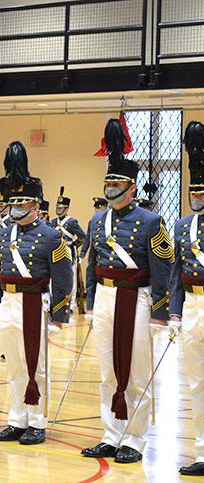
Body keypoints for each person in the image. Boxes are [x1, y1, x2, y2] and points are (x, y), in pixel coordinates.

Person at [82, 118, 173, 464]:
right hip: (105, 296)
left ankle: (135, 438)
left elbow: (162, 270)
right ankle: (111, 432)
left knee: (135, 370)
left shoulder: (152, 222)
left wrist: (161, 313)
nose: (111, 188)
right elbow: (91, 266)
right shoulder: (96, 221)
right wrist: (89, 304)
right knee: (107, 369)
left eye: (117, 182)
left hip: (137, 298)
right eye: (108, 182)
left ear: (131, 187)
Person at [0, 141, 73, 446]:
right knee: (13, 364)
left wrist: (59, 316)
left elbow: (64, 279)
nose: (17, 209)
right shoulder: (2, 232)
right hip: (10, 301)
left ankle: (36, 421)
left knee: (34, 365)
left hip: (35, 302)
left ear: (37, 206)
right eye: (14, 204)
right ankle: (16, 418)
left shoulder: (52, 236)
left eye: (23, 204)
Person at [170, 121, 204, 476]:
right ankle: (202, 451)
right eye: (194, 191)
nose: (197, 196)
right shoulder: (182, 227)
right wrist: (175, 314)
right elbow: (177, 273)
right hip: (193, 305)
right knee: (196, 380)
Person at [50, 188, 87, 313]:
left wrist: (74, 245)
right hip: (55, 253)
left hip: (69, 253)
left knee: (70, 280)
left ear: (66, 209)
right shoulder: (53, 222)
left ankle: (70, 305)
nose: (58, 209)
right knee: (54, 279)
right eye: (57, 206)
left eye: (61, 207)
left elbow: (83, 236)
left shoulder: (71, 222)